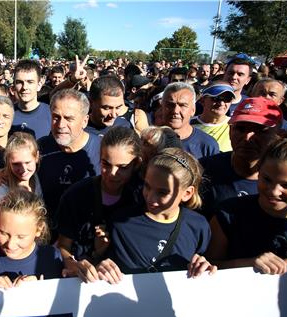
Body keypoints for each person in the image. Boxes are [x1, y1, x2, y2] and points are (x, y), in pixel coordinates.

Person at [85, 148, 216, 283]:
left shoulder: (198, 225)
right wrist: (99, 262)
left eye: (163, 192)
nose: (151, 198)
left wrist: (205, 267)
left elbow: (208, 266)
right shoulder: (120, 222)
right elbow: (96, 266)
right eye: (147, 186)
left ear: (187, 193)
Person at [206, 127, 287, 274]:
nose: (273, 191)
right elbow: (209, 266)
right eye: (267, 179)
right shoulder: (228, 214)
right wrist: (248, 263)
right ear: (259, 171)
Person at [56, 126, 143, 279]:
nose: (112, 174)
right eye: (106, 164)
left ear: (136, 164)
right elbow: (63, 246)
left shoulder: (142, 196)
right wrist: (75, 266)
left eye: (122, 167)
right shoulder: (76, 196)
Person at [200, 97, 283, 218]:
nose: (247, 137)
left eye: (260, 131)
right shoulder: (204, 169)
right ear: (230, 131)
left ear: (278, 135)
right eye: (240, 129)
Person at [0, 189, 63, 288]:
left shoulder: (52, 257)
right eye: (3, 233)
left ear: (39, 230)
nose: (10, 245)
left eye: (21, 237)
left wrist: (41, 288)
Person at [38, 89, 101, 230]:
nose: (61, 125)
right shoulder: (40, 147)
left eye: (69, 118)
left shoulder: (103, 151)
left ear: (85, 121)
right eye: (56, 117)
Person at [160, 82, 219, 159]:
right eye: (170, 105)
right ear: (162, 108)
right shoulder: (149, 141)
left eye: (182, 105)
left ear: (193, 110)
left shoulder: (207, 145)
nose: (175, 111)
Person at [0, 132, 42, 203]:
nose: (23, 169)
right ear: (8, 161)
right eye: (16, 164)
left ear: (36, 157)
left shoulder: (36, 177)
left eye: (28, 162)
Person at [10, 59, 51, 139]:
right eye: (19, 82)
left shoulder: (51, 114)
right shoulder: (6, 114)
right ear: (14, 85)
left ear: (39, 85)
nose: (24, 87)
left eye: (30, 82)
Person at [191, 83, 236, 152]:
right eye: (216, 98)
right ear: (202, 101)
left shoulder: (235, 126)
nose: (221, 103)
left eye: (227, 99)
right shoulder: (188, 124)